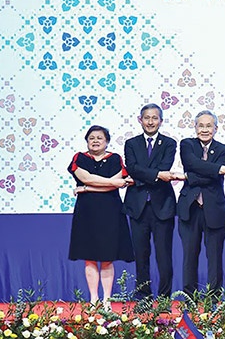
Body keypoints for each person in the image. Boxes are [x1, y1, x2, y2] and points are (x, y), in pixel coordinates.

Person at [67, 125, 135, 310]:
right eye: (92, 138)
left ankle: (106, 300)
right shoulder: (79, 158)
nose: (95, 141)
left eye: (99, 138)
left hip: (110, 212)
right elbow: (88, 177)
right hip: (86, 212)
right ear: (86, 141)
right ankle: (93, 299)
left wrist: (86, 188)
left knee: (107, 257)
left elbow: (114, 184)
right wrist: (108, 182)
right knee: (89, 258)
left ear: (107, 141)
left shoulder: (115, 158)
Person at [177, 110, 225, 297]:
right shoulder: (187, 144)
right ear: (195, 127)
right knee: (189, 256)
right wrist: (221, 169)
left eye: (209, 126)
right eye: (201, 125)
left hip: (214, 209)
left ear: (216, 129)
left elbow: (209, 177)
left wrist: (189, 177)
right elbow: (192, 164)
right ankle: (189, 298)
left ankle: (213, 299)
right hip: (190, 208)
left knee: (214, 257)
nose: (204, 130)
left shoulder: (224, 149)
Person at [123, 103, 182, 310]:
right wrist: (156, 175)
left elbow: (164, 167)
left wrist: (143, 175)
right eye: (146, 118)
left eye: (154, 118)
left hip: (162, 206)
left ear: (161, 121)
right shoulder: (131, 143)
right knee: (141, 255)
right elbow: (132, 168)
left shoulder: (169, 143)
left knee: (164, 255)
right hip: (138, 207)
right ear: (140, 120)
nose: (150, 122)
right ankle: (143, 298)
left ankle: (164, 299)